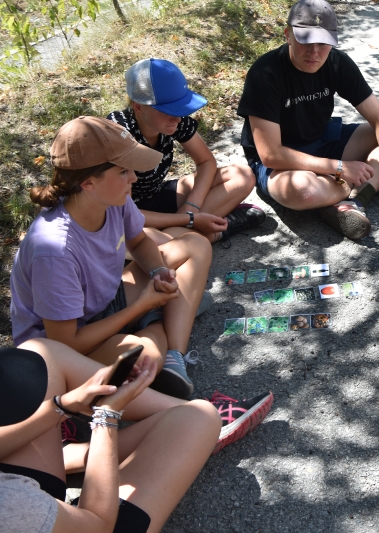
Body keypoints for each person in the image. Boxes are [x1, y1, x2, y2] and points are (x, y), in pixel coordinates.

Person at [11, 116, 210, 399]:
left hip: (105, 300)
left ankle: (174, 354)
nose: (134, 178)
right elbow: (67, 342)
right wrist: (141, 305)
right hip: (63, 346)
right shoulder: (54, 252)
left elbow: (139, 241)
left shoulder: (113, 198)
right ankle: (159, 317)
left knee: (195, 245)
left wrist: (157, 273)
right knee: (147, 356)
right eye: (123, 171)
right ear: (88, 182)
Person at [0, 338, 273, 533]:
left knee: (37, 354)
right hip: (75, 519)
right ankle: (205, 431)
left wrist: (64, 405)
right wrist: (106, 415)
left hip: (23, 501)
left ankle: (69, 455)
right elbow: (98, 524)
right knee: (200, 418)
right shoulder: (13, 504)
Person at [237, 0, 379, 241]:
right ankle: (375, 177)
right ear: (288, 35)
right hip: (281, 163)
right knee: (302, 190)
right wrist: (339, 168)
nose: (314, 52)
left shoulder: (337, 62)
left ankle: (354, 199)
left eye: (323, 42)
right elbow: (271, 155)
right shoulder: (265, 74)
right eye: (306, 41)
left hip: (322, 141)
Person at [108, 58, 267, 245]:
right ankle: (213, 232)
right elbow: (123, 212)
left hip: (156, 195)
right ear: (138, 106)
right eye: (168, 110)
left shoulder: (174, 120)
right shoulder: (119, 134)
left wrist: (191, 207)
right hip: (127, 214)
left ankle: (183, 237)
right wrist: (188, 219)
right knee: (141, 243)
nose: (177, 118)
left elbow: (206, 162)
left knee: (241, 176)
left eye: (180, 108)